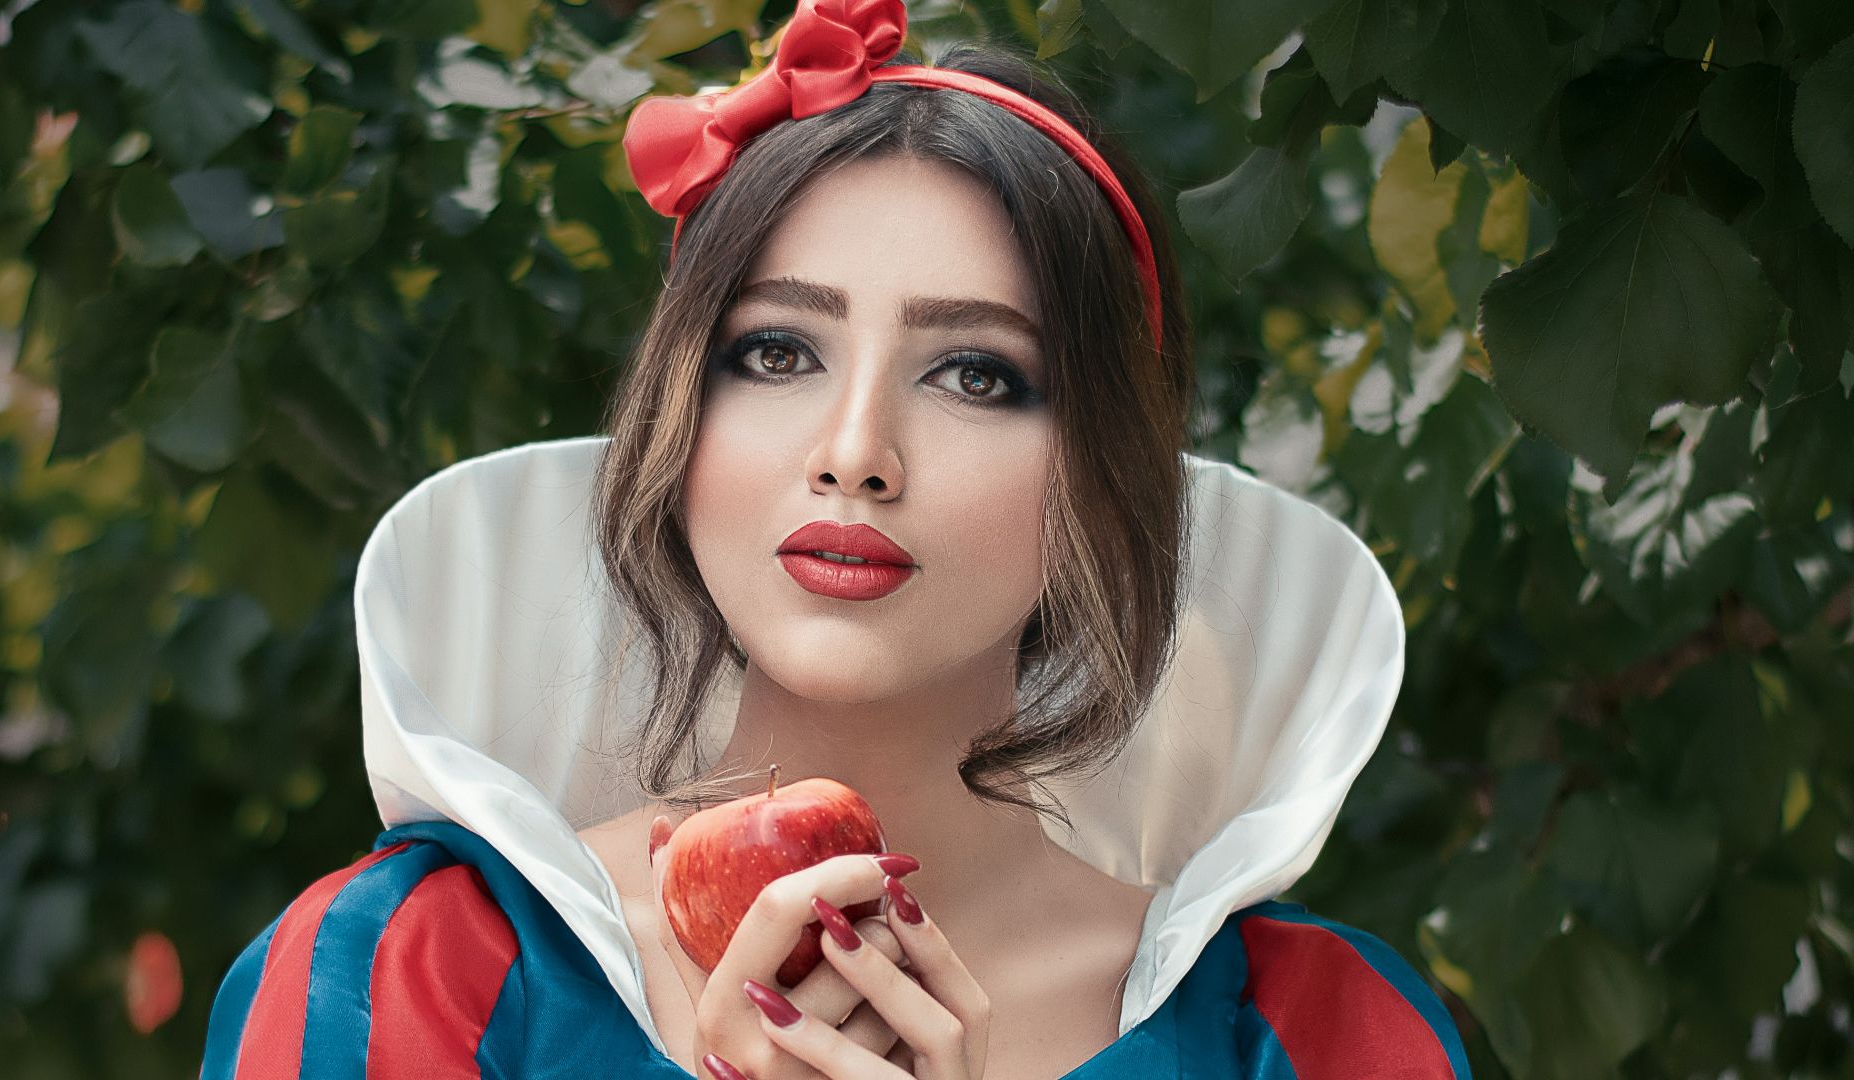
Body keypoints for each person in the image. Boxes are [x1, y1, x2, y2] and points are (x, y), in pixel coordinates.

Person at [198, 1, 1475, 1077]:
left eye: (977, 374)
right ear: (678, 424)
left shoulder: (1319, 1034)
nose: (854, 446)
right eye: (776, 351)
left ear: (1100, 473)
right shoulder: (405, 974)